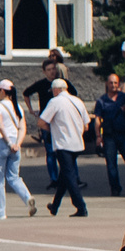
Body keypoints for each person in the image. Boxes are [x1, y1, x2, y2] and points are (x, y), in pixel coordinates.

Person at [40, 79, 89, 217]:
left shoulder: (55, 102)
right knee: (64, 176)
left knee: (69, 176)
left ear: (56, 90)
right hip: (77, 144)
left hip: (63, 144)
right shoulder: (78, 101)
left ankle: (81, 206)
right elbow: (86, 125)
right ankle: (55, 206)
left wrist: (51, 130)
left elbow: (41, 121)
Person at [92, 70, 125, 195]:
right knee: (111, 165)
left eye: (115, 83)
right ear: (107, 84)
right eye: (111, 83)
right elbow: (97, 119)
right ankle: (115, 189)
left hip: (124, 135)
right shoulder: (101, 101)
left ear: (119, 84)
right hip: (109, 136)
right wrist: (98, 136)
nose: (113, 85)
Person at [0, 82, 34, 218]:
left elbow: (0, 126)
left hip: (2, 143)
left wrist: (8, 142)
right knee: (14, 176)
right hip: (15, 143)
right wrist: (17, 144)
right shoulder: (18, 107)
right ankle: (27, 198)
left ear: (3, 91)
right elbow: (22, 128)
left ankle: (0, 212)